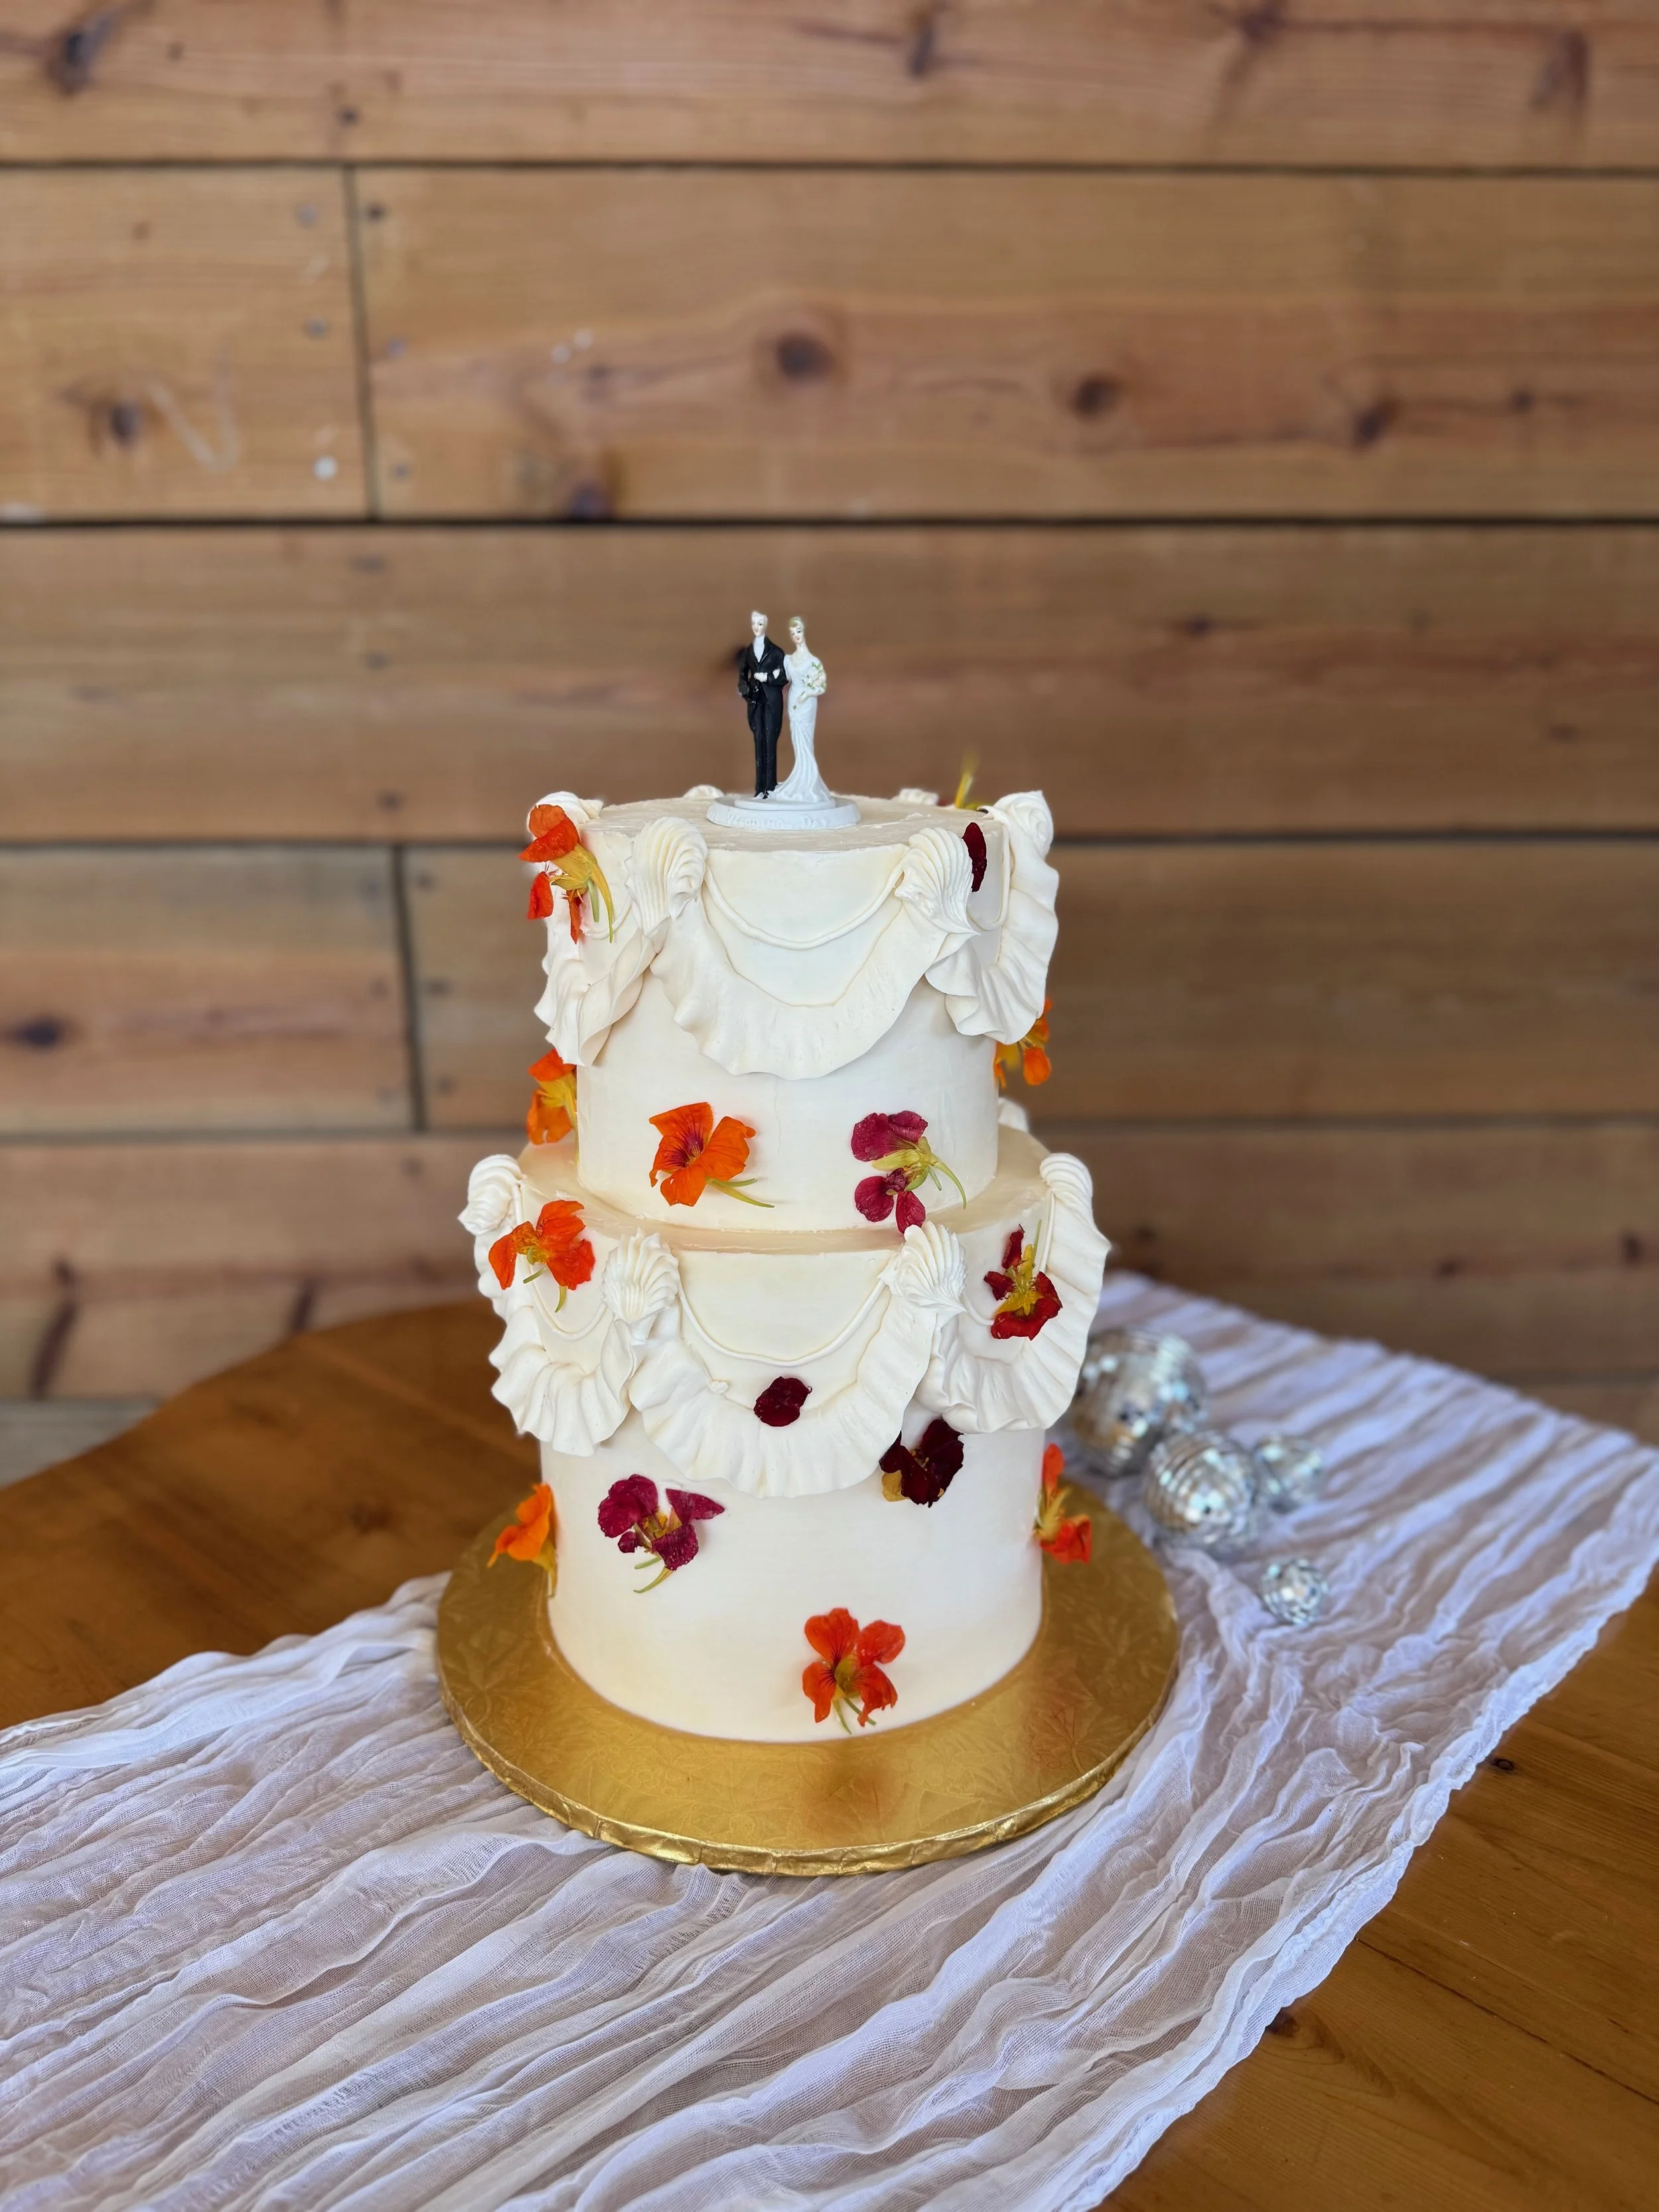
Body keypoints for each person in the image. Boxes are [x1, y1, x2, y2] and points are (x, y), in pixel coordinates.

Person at [774, 617, 831, 806]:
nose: (796, 636)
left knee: (806, 741)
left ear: (803, 632)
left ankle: (809, 783)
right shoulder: (789, 660)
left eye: (798, 632)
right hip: (793, 700)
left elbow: (821, 685)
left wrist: (807, 694)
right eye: (793, 633)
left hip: (807, 702)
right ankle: (800, 778)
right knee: (797, 740)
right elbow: (782, 678)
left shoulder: (813, 661)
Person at [735, 610, 788, 796]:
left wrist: (768, 678)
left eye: (760, 624)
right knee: (759, 742)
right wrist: (745, 690)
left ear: (765, 625)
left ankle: (770, 787)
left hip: (772, 702)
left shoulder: (776, 652)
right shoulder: (748, 652)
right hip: (755, 702)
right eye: (754, 624)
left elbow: (784, 676)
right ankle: (760, 789)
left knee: (770, 741)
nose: (757, 627)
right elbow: (743, 674)